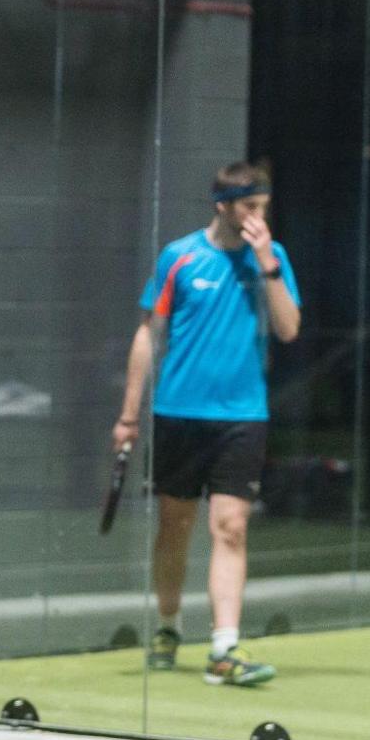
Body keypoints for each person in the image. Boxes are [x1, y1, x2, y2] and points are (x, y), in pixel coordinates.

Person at [112, 161, 301, 686]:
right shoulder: (179, 256)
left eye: (264, 208)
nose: (258, 217)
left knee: (232, 527)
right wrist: (129, 415)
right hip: (178, 415)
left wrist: (266, 265)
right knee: (175, 526)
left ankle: (224, 647)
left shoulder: (273, 257)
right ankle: (168, 626)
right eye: (249, 207)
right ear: (223, 205)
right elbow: (148, 334)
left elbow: (288, 329)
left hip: (243, 417)